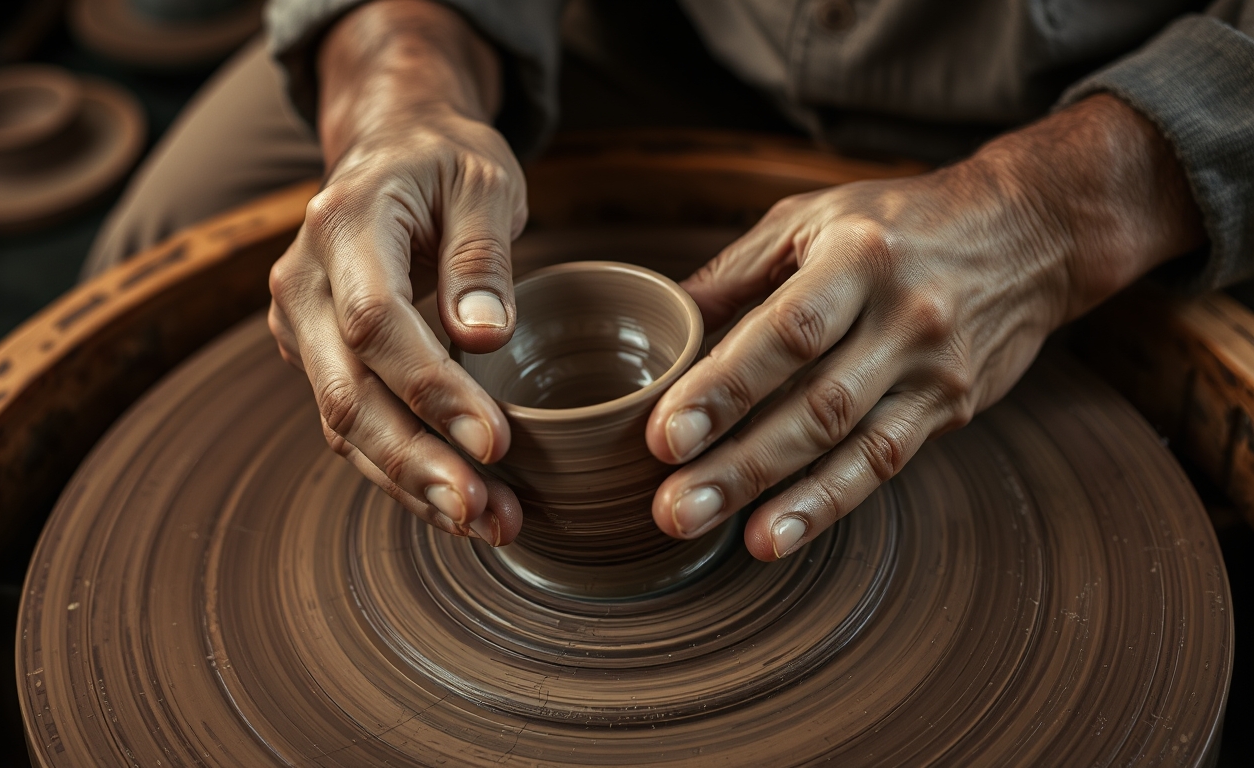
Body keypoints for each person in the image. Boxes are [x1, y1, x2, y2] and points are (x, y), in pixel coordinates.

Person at [86, 0, 1253, 561]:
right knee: (179, 235)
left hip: (1111, 99)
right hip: (645, 30)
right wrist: (402, 79)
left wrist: (1056, 212)